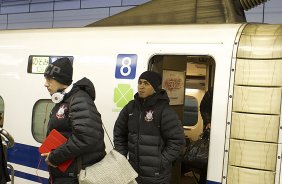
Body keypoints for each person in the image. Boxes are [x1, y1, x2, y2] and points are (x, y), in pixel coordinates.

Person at [41, 57, 106, 184]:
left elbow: (87, 137)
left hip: (76, 175)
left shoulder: (79, 100)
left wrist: (55, 157)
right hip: (66, 173)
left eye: (49, 79)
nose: (46, 83)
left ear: (61, 80)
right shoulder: (64, 101)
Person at [114, 71, 185, 184]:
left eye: (146, 83)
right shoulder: (130, 108)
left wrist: (160, 162)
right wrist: (121, 156)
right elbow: (119, 133)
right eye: (140, 82)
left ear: (155, 87)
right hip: (133, 173)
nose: (141, 86)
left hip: (156, 177)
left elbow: (177, 141)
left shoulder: (164, 111)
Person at [198, 89, 213, 184]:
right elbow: (203, 107)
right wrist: (208, 121)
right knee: (207, 162)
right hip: (212, 131)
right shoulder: (213, 91)